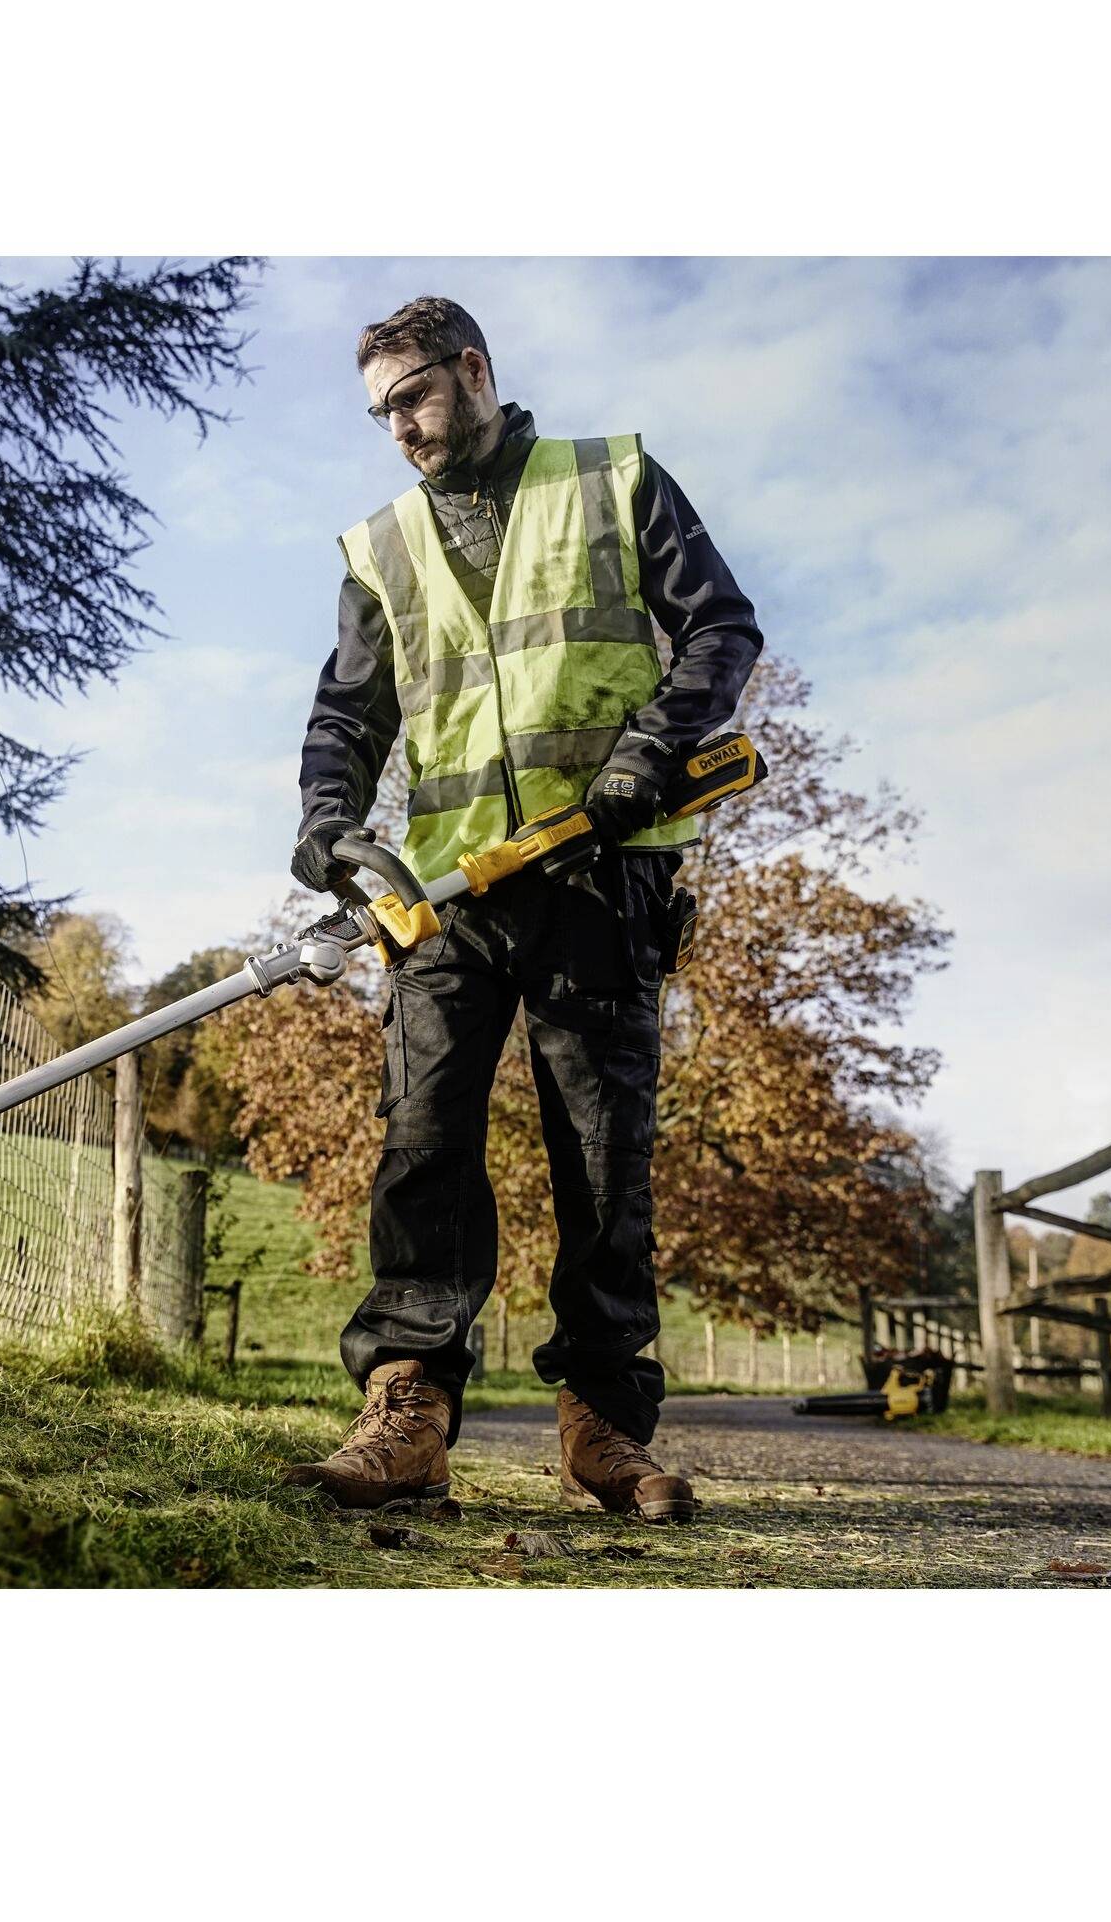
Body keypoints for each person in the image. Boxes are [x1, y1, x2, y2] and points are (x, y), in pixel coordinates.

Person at [280, 296, 763, 1522]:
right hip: (446, 896)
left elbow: (719, 626)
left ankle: (604, 1425)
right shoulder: (380, 547)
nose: (398, 428)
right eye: (379, 410)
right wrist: (330, 824)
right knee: (421, 1146)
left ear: (473, 370)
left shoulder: (612, 480)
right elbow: (348, 717)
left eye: (413, 396)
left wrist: (650, 750)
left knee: (603, 1159)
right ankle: (406, 1410)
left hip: (602, 874)